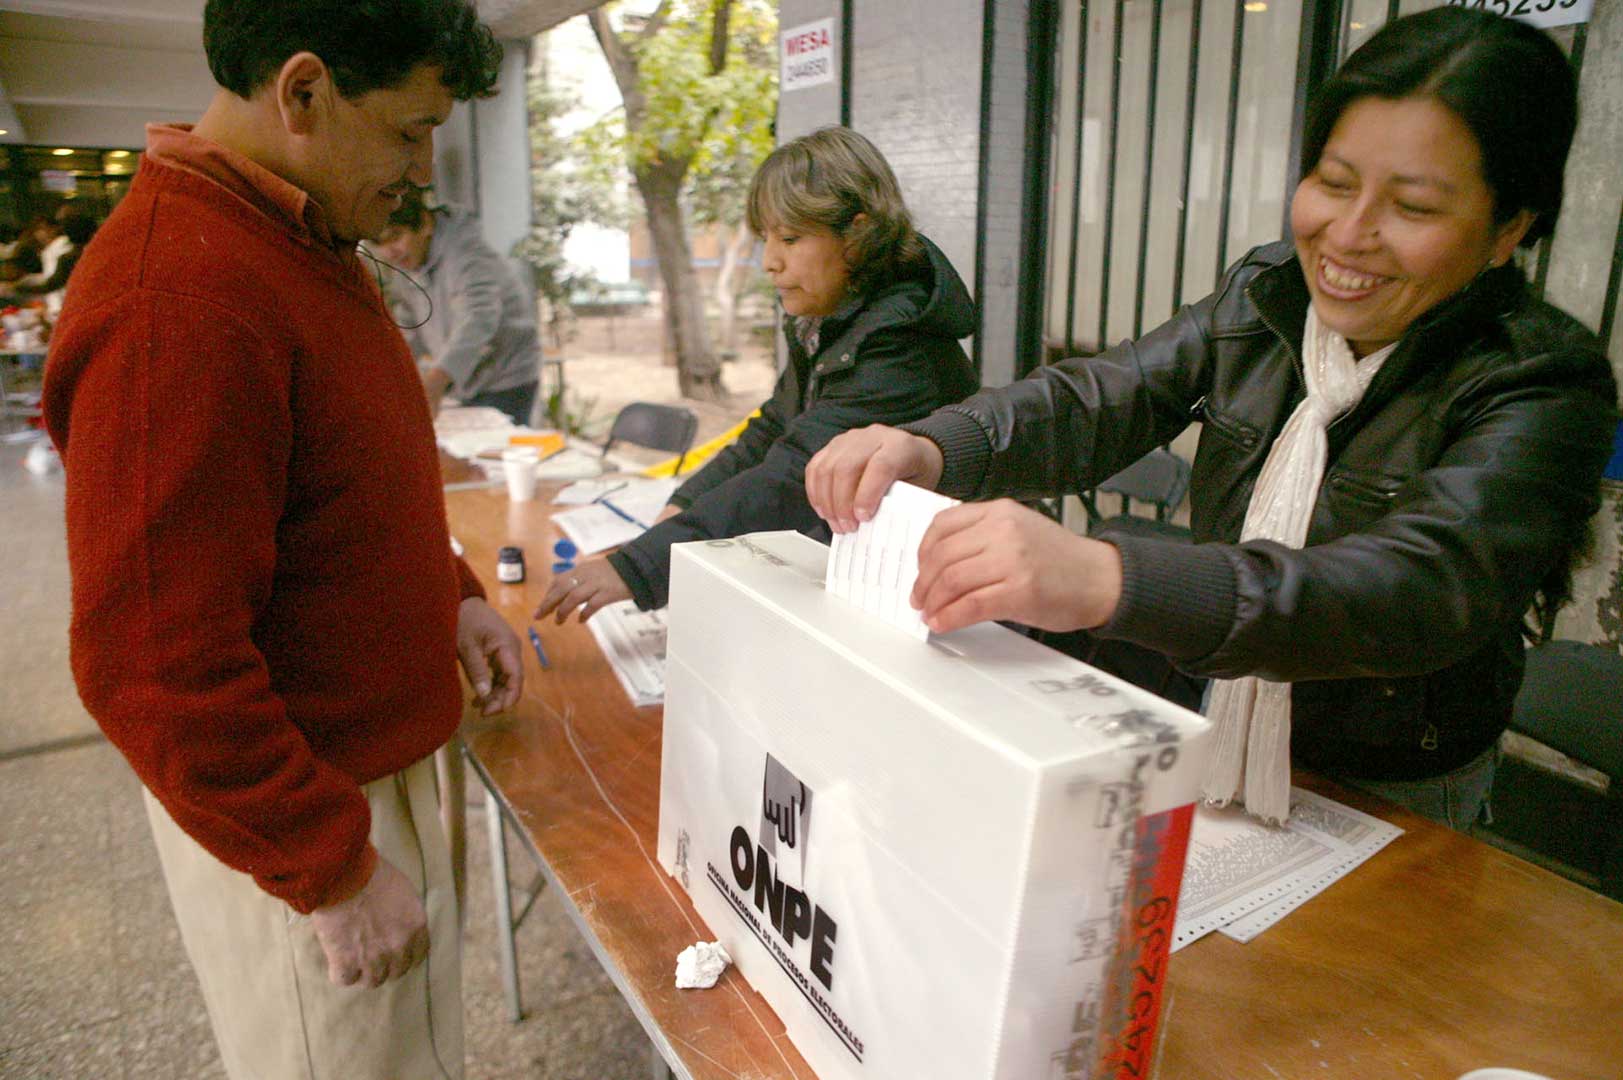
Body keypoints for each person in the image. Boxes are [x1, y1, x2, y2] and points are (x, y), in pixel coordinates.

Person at [804, 8, 1618, 829]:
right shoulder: (1265, 298)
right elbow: (1103, 396)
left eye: (1411, 207)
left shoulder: (1543, 382)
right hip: (1212, 716)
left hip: (1390, 781)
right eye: (1332, 183)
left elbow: (1412, 588)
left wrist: (1105, 577)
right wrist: (931, 446)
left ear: (1506, 228)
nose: (1348, 234)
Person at [42, 2, 519, 1077]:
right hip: (308, 800)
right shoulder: (180, 297)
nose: (421, 166)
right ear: (303, 91)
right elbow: (151, 661)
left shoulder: (298, 234)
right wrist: (330, 868)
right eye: (407, 129)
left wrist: (451, 594)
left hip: (366, 776)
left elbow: (341, 479)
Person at [535, 125, 980, 623]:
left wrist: (638, 568)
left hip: (934, 594)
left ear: (855, 236)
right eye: (765, 238)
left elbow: (791, 477)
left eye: (789, 238)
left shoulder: (898, 347)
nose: (770, 261)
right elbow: (772, 429)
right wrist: (683, 505)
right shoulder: (830, 323)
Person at [372, 187, 542, 424]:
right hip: (465, 378)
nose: (389, 251)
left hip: (506, 374)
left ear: (425, 225)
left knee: (492, 454)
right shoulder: (406, 263)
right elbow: (409, 324)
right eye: (380, 242)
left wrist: (436, 380)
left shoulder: (466, 251)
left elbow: (479, 318)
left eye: (396, 236)